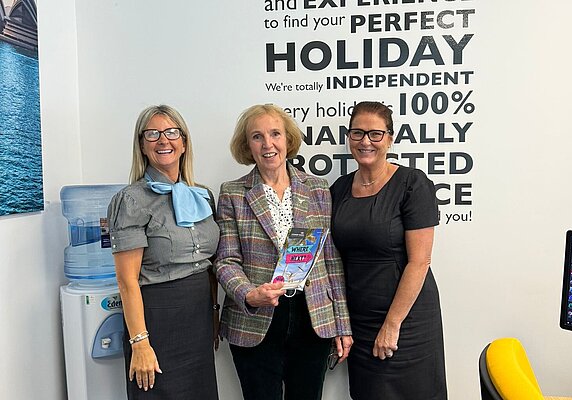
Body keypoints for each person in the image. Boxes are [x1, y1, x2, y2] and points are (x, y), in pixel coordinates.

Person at [215, 104, 352, 400]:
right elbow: (226, 260)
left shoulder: (317, 188)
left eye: (275, 133)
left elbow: (331, 261)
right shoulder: (233, 193)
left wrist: (342, 324)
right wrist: (249, 293)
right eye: (257, 136)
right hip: (255, 319)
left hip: (312, 319)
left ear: (288, 140)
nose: (268, 144)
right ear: (246, 145)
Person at [330, 101, 447, 399]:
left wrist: (392, 325)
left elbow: (420, 262)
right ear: (348, 137)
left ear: (390, 138)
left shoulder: (412, 184)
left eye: (375, 134)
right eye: (357, 133)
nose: (365, 141)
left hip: (405, 321)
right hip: (359, 319)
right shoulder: (339, 189)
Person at [107, 105, 220, 399]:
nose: (163, 140)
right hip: (156, 320)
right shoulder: (130, 201)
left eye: (171, 132)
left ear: (183, 142)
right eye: (152, 134)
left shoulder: (203, 195)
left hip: (198, 319)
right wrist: (140, 343)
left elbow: (209, 266)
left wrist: (214, 313)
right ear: (142, 146)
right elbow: (126, 282)